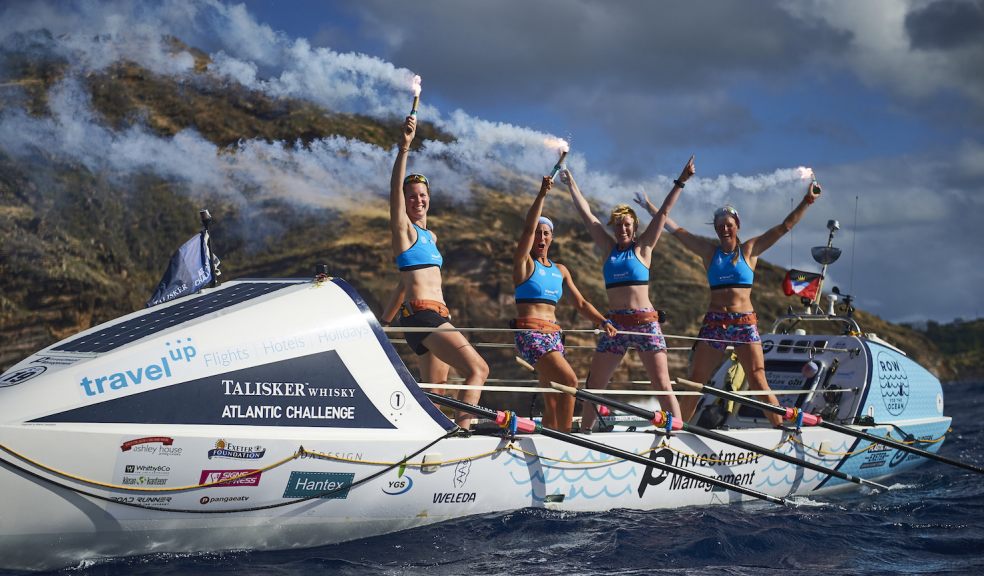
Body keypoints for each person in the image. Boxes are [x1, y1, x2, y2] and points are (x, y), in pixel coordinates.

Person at [652, 179, 822, 426]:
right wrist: (652, 209)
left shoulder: (750, 250)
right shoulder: (709, 253)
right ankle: (676, 431)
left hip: (744, 322)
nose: (724, 229)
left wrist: (807, 201)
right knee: (696, 380)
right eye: (720, 226)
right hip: (715, 323)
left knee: (757, 378)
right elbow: (678, 232)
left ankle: (780, 429)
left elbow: (784, 226)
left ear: (737, 226)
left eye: (728, 225)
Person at [564, 156, 694, 432]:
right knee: (594, 385)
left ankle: (678, 433)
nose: (622, 229)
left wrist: (681, 181)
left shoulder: (643, 248)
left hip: (646, 323)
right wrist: (572, 184)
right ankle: (584, 434)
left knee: (662, 383)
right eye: (618, 225)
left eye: (627, 225)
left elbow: (663, 214)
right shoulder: (609, 250)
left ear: (634, 228)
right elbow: (587, 216)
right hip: (615, 326)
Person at [381, 115, 489, 429]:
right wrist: (404, 148)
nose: (418, 199)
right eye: (411, 195)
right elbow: (394, 195)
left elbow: (405, 283)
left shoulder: (431, 238)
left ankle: (426, 440)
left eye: (422, 194)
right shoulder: (405, 232)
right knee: (478, 370)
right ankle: (462, 432)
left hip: (426, 317)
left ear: (430, 199)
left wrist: (384, 323)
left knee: (435, 396)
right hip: (424, 318)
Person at [512, 175, 617, 432]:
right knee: (570, 380)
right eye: (537, 232)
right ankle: (568, 434)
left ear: (551, 238)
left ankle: (547, 444)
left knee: (553, 400)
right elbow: (526, 229)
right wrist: (542, 194)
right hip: (531, 335)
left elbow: (580, 303)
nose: (540, 236)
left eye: (545, 233)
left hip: (555, 337)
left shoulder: (560, 270)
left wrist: (602, 321)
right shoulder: (525, 265)